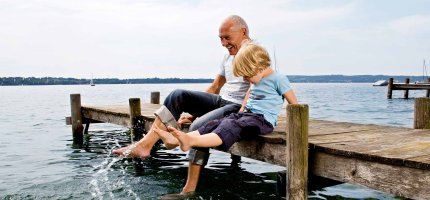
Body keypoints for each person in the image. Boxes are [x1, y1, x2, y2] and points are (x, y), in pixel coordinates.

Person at [112, 15, 252, 194]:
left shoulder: (254, 53)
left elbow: (256, 88)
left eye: (227, 38)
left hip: (238, 107)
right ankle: (146, 144)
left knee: (199, 126)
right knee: (178, 95)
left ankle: (188, 190)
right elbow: (215, 86)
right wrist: (196, 110)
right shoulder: (227, 57)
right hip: (222, 101)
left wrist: (240, 114)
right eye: (220, 38)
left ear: (243, 32)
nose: (223, 43)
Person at [154, 42, 298, 186]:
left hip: (262, 121)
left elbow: (295, 105)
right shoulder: (256, 79)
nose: (245, 80)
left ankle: (190, 141)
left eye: (247, 76)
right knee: (217, 122)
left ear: (259, 68)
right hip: (247, 116)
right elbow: (249, 95)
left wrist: (296, 127)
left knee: (231, 125)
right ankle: (177, 140)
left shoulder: (279, 79)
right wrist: (241, 112)